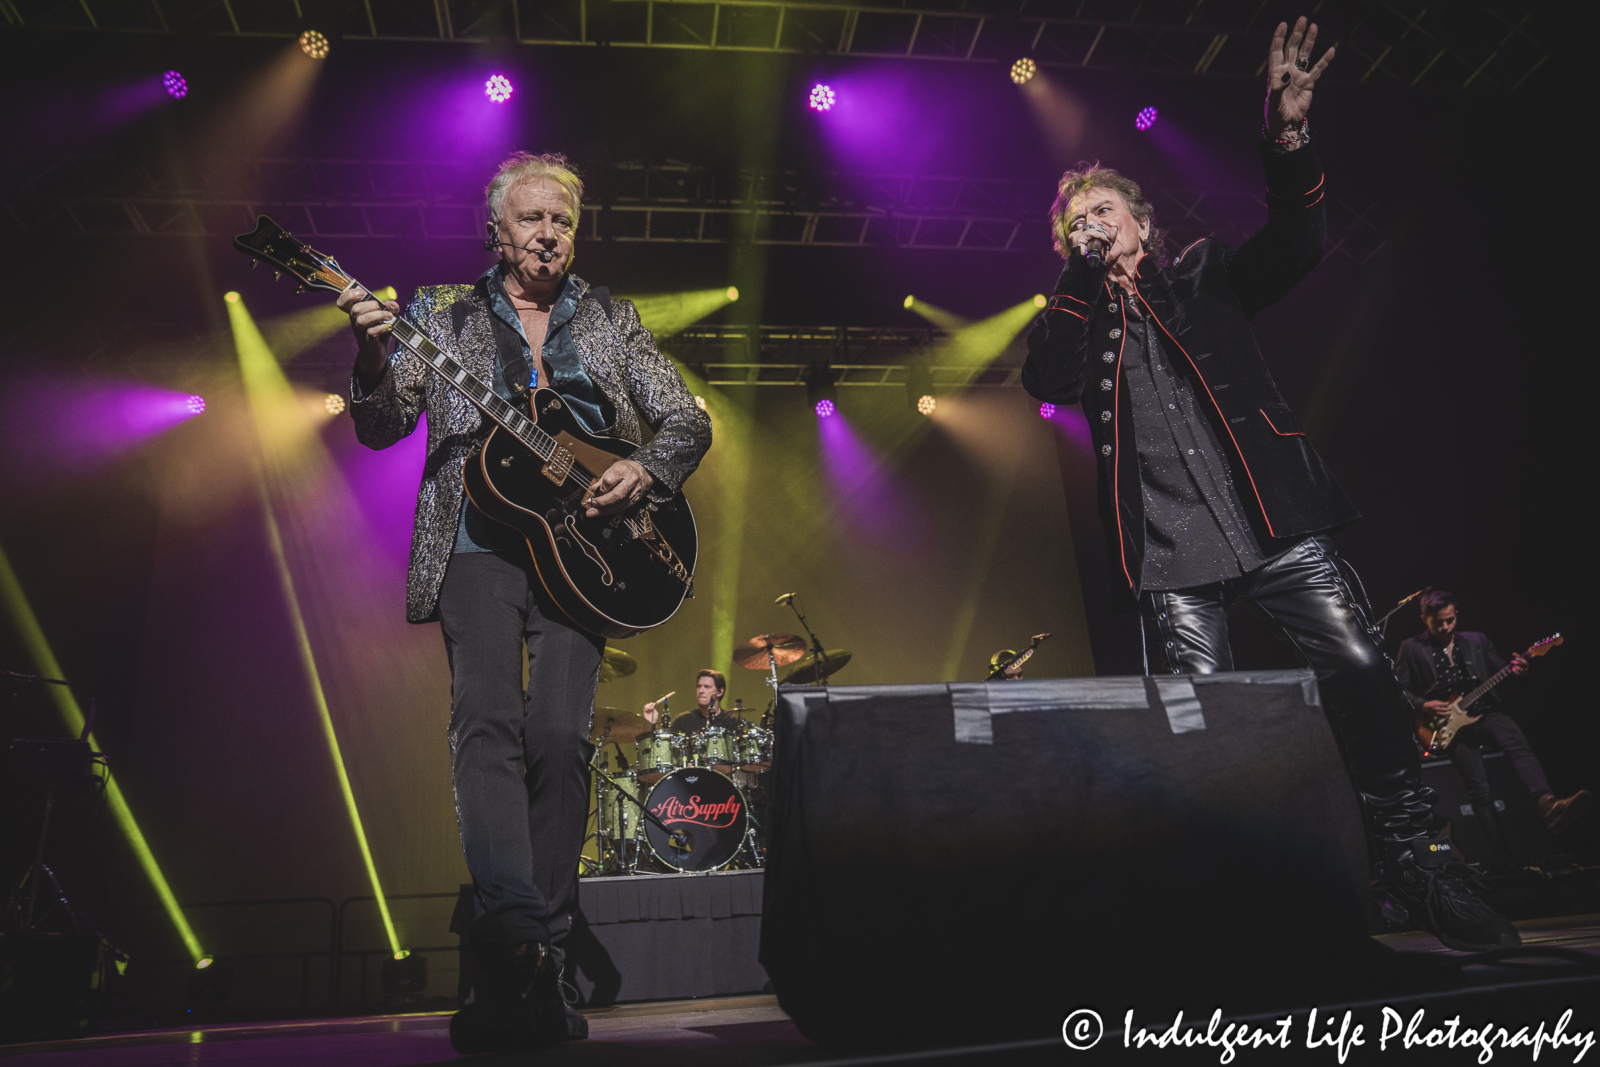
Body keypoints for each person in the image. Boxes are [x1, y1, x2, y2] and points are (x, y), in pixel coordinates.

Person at [1021, 18, 1518, 952]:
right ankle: (1242, 895)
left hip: (1272, 524)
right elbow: (1041, 379)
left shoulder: (1206, 279)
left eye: (1104, 213)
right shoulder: (1075, 324)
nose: (1090, 226)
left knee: (1365, 669)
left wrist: (1288, 138)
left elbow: (1297, 238)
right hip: (1172, 554)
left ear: (1142, 223)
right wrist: (1076, 281)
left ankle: (1412, 862)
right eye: (1074, 221)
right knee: (1201, 726)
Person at [338, 151, 711, 1053]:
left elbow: (687, 418)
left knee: (558, 736)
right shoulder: (441, 311)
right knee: (488, 724)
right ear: (496, 229)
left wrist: (640, 466)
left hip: (584, 554)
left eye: (564, 222)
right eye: (533, 218)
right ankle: (516, 940)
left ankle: (541, 936)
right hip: (477, 543)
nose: (549, 234)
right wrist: (372, 347)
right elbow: (385, 423)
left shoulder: (612, 316)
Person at [1396, 591, 1590, 859]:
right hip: (1444, 725)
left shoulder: (1477, 640)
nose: (1444, 627)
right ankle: (1502, 856)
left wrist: (1520, 667)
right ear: (1423, 619)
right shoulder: (1411, 648)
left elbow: (1502, 668)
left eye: (1449, 620)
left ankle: (1547, 804)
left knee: (1517, 744)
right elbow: (1399, 689)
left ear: (1456, 615)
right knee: (1480, 790)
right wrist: (1423, 705)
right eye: (1437, 622)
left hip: (1484, 712)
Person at [643, 669, 743, 733]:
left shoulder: (730, 721)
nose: (701, 691)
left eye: (707, 687)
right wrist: (650, 723)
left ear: (720, 692)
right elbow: (663, 749)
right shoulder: (683, 720)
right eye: (699, 686)